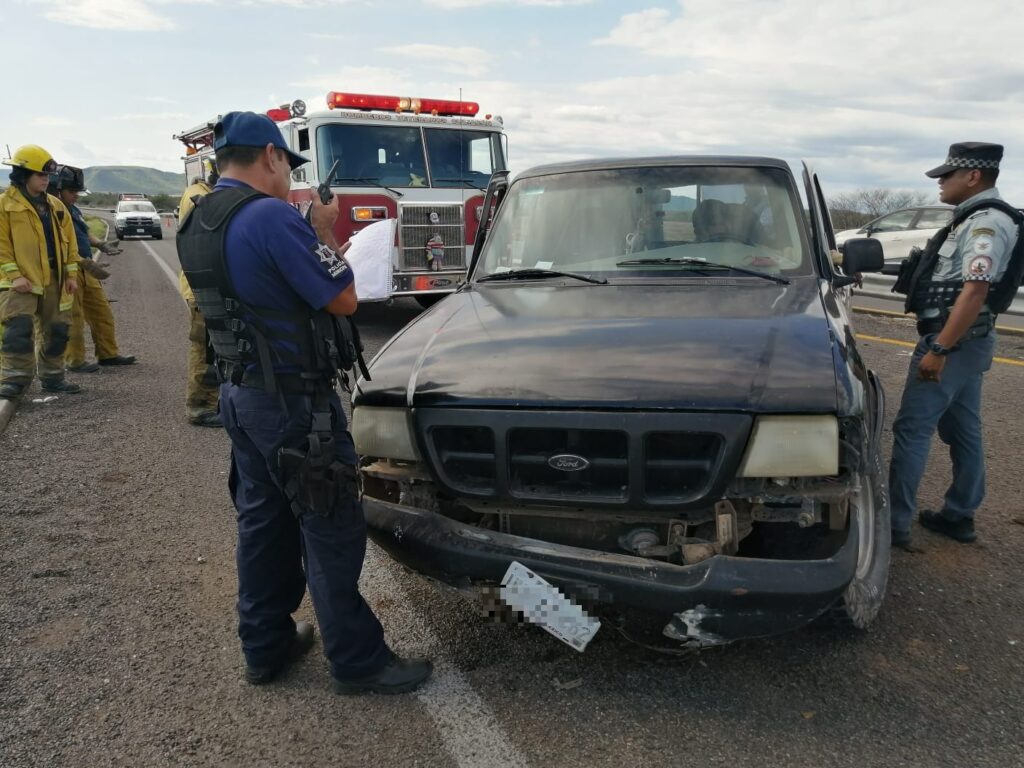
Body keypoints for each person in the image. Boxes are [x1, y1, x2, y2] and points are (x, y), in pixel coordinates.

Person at [176, 112, 432, 694]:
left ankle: (264, 647)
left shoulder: (196, 219)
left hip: (241, 397)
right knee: (331, 526)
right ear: (270, 156)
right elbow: (342, 298)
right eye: (285, 165)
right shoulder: (270, 217)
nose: (285, 176)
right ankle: (358, 660)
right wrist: (319, 229)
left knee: (264, 524)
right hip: (294, 404)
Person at [889, 142, 1019, 548]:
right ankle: (958, 514)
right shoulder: (969, 220)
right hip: (967, 342)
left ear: (974, 176)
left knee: (912, 429)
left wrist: (939, 349)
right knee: (963, 428)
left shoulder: (986, 224)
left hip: (954, 341)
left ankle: (894, 524)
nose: (940, 183)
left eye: (947, 175)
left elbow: (975, 291)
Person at [0, 145, 81, 399]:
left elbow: (70, 243)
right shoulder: (5, 206)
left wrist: (70, 276)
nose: (45, 180)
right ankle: (14, 380)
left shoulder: (56, 206)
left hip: (54, 280)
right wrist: (15, 276)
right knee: (18, 331)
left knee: (57, 331)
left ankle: (53, 377)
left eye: (47, 176)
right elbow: (1, 246)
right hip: (19, 282)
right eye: (40, 175)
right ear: (23, 175)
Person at [48, 165, 136, 372]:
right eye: (72, 192)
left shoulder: (72, 209)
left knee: (101, 312)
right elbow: (56, 247)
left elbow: (84, 232)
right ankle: (75, 360)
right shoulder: (51, 213)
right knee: (74, 317)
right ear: (57, 190)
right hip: (67, 271)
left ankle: (108, 354)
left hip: (86, 268)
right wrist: (82, 262)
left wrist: (100, 244)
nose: (76, 196)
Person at [177, 157, 221, 427]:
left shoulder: (203, 194)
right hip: (202, 289)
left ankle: (212, 400)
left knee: (212, 347)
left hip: (206, 285)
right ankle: (200, 407)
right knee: (205, 349)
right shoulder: (199, 198)